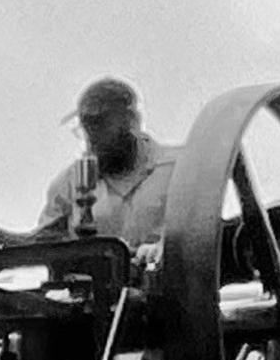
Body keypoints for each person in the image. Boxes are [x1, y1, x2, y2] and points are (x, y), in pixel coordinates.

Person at [41, 76, 178, 244]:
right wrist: (7, 240)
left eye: (101, 123)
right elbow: (45, 247)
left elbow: (201, 234)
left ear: (132, 120)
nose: (92, 137)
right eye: (87, 127)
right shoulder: (68, 184)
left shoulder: (178, 169)